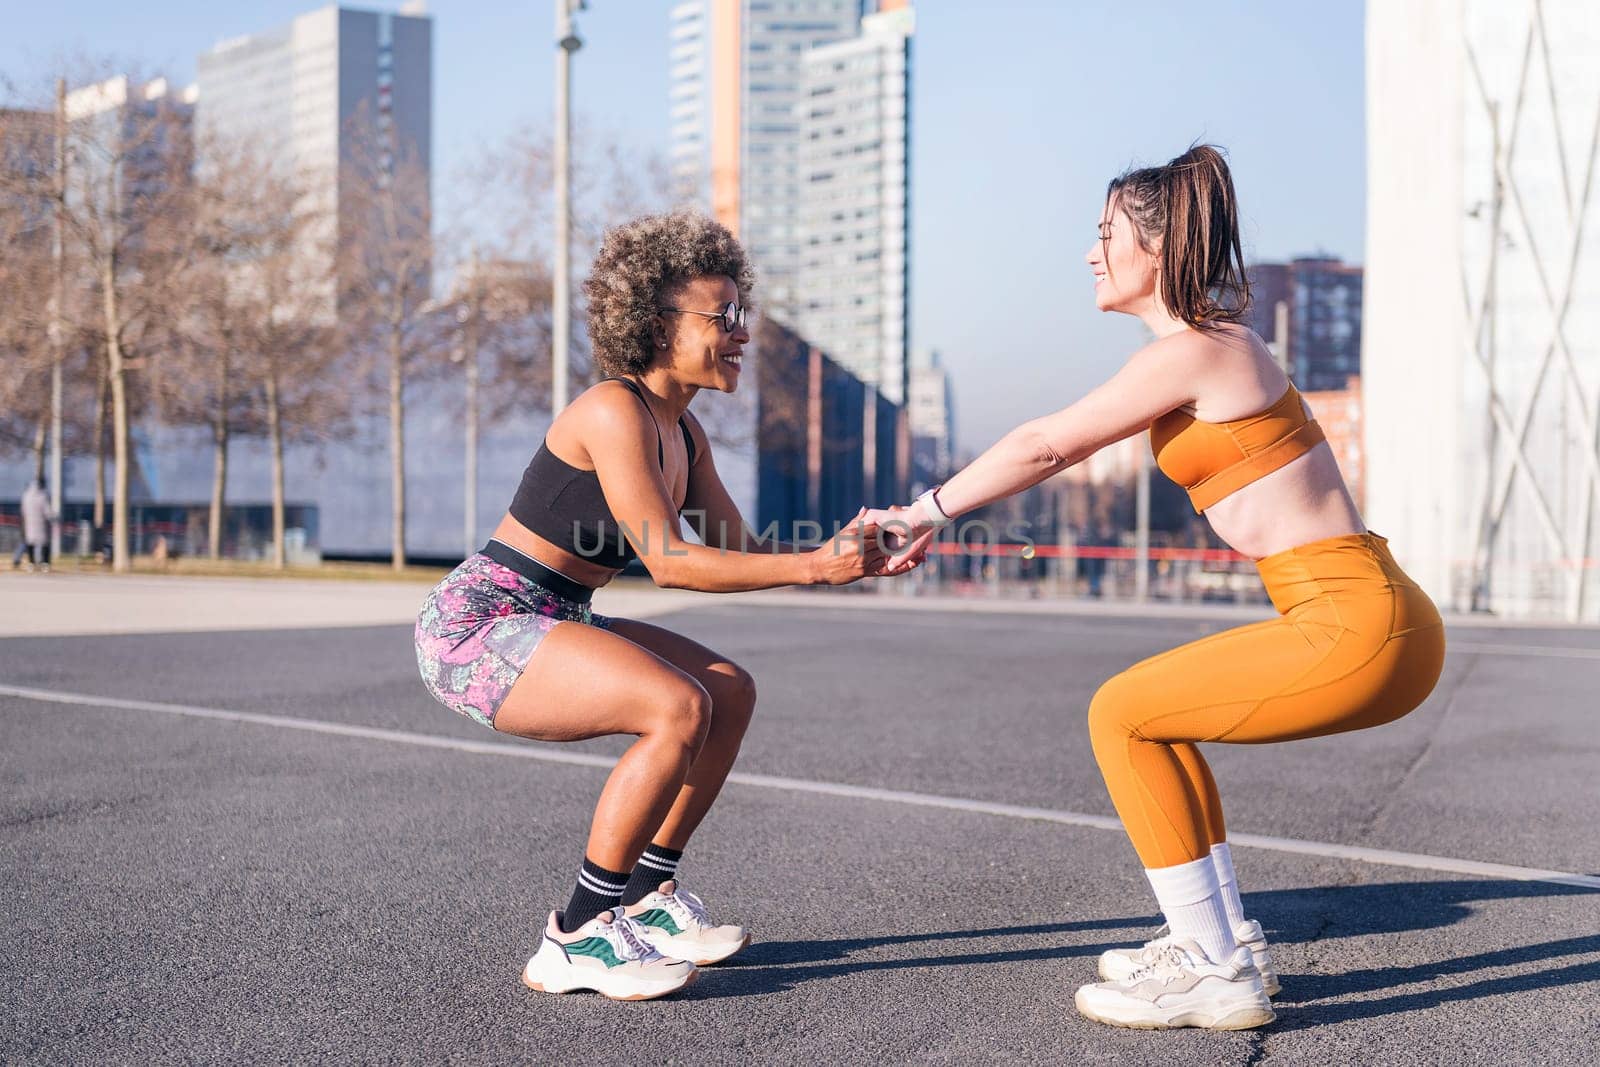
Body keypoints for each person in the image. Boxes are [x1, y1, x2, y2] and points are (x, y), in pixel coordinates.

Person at [869, 145, 1445, 1031]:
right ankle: (1219, 943)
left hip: (1356, 620)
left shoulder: (1203, 349)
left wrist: (925, 510)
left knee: (1122, 713)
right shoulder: (1208, 352)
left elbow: (1047, 444)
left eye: (1106, 233)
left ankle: (1210, 964)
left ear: (1159, 243)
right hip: (1353, 606)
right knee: (1159, 724)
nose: (1092, 252)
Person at [415, 210, 913, 1002]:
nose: (740, 332)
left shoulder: (684, 433)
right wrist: (816, 569)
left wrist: (850, 551)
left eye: (737, 313)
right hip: (479, 625)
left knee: (728, 689)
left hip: (554, 615)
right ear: (655, 324)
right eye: (722, 317)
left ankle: (649, 895)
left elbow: (740, 553)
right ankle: (577, 933)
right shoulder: (613, 411)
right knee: (675, 704)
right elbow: (671, 561)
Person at [11, 479, 53, 572]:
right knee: (44, 544)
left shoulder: (26, 496)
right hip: (41, 524)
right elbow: (47, 511)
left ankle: (31, 563)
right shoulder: (43, 496)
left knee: (30, 544)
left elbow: (23, 510)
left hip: (28, 524)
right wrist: (52, 517)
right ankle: (45, 564)